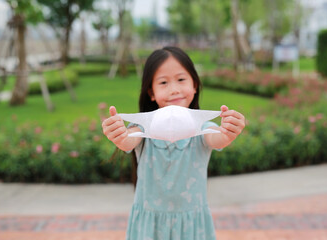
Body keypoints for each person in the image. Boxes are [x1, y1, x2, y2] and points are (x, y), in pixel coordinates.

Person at [102, 46, 245, 240]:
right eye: (163, 82)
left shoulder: (203, 128)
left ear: (194, 85)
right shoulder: (145, 127)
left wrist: (229, 132)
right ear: (151, 93)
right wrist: (119, 135)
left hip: (191, 226)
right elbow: (128, 140)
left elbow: (217, 137)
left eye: (181, 79)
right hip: (150, 227)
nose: (174, 89)